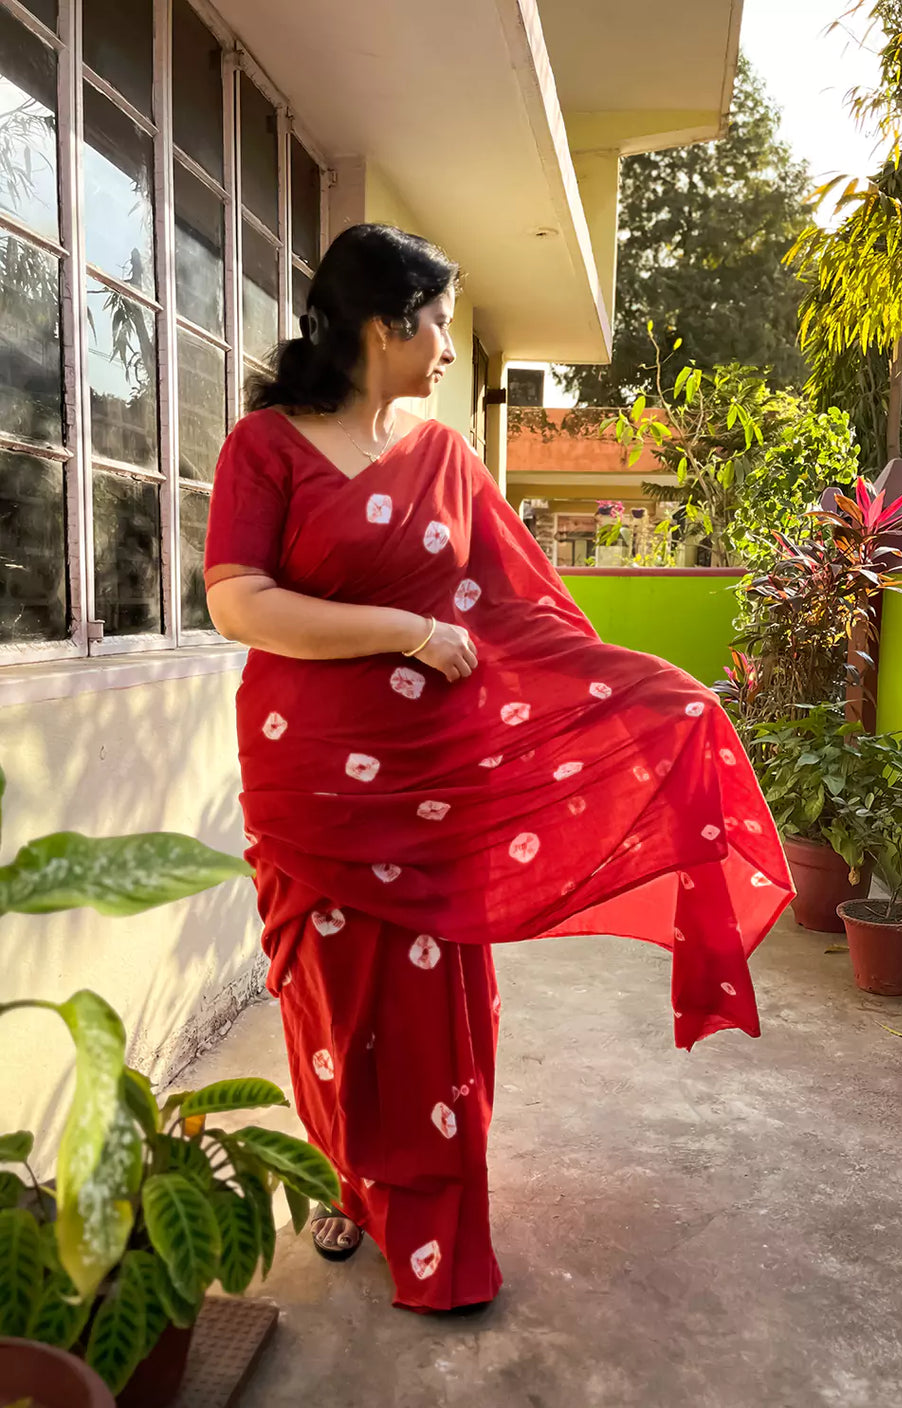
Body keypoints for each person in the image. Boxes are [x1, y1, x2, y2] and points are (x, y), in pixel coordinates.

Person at [203, 223, 793, 1315]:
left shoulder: (442, 461)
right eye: (432, 324)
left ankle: (436, 1215)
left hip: (434, 782)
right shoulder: (268, 448)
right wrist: (406, 632)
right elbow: (238, 600)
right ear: (387, 325)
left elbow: (523, 614)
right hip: (312, 781)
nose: (442, 349)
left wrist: (656, 696)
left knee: (434, 1004)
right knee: (332, 1001)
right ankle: (353, 1179)